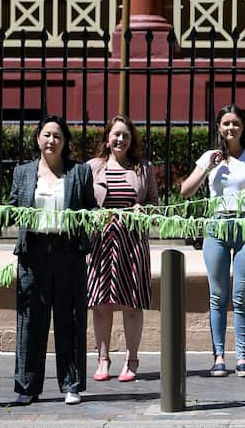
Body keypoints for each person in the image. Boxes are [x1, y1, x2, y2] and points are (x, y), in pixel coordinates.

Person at [9, 114, 97, 406]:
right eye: (47, 135)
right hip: (33, 251)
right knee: (30, 320)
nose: (51, 140)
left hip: (68, 250)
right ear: (38, 139)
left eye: (57, 136)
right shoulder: (23, 173)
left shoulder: (80, 172)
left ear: (65, 142)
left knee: (69, 319)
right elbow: (12, 211)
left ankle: (71, 384)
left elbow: (90, 210)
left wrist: (103, 217)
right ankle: (27, 386)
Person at [180, 103, 245, 379]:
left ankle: (242, 357)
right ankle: (218, 356)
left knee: (241, 296)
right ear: (219, 127)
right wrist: (208, 167)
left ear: (243, 127)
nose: (231, 128)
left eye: (236, 123)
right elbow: (185, 191)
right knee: (217, 296)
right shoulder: (210, 157)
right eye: (226, 123)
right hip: (217, 226)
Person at [87, 114, 158, 384]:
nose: (120, 139)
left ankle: (132, 359)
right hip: (102, 242)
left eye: (126, 135)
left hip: (132, 243)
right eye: (116, 134)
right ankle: (103, 359)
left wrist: (144, 210)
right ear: (107, 139)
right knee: (101, 303)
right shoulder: (93, 167)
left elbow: (154, 205)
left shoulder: (143, 168)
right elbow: (82, 203)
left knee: (131, 303)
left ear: (131, 140)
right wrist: (95, 214)